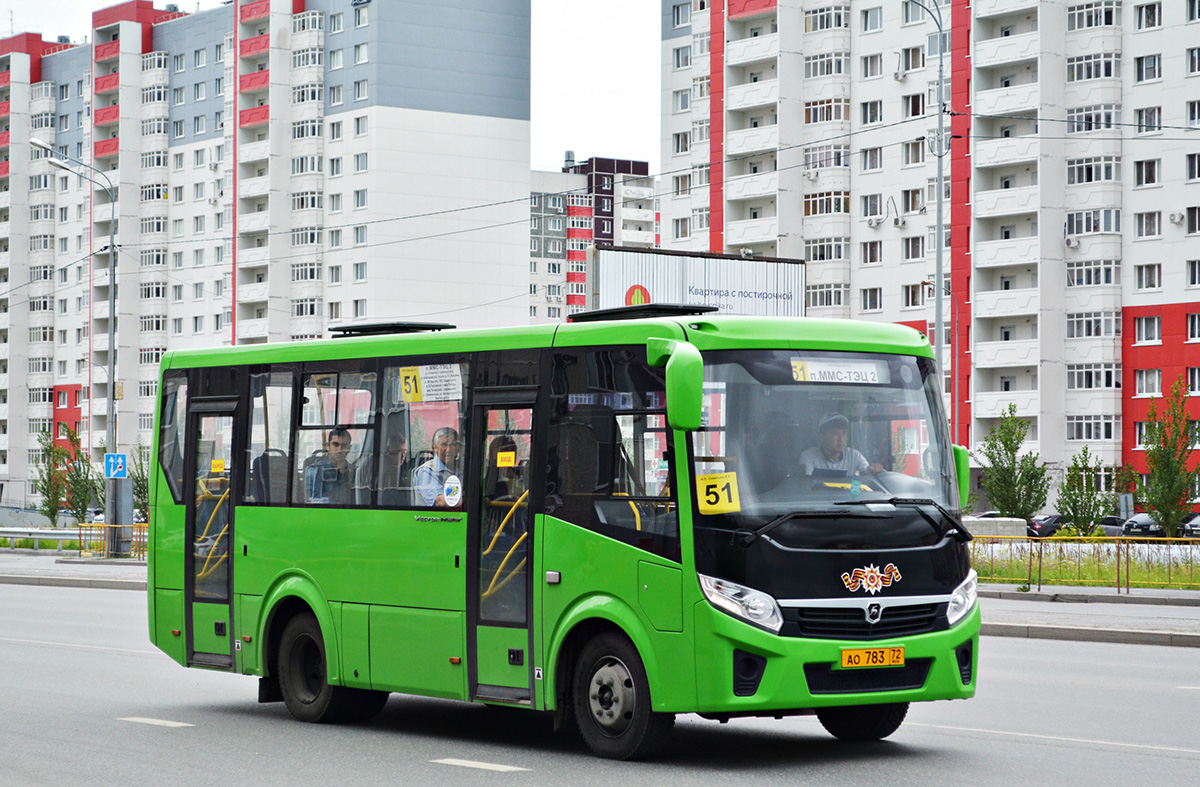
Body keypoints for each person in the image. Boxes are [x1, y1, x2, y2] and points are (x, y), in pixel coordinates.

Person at [798, 412, 884, 477]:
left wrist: (876, 472)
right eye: (835, 434)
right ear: (822, 437)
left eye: (844, 433)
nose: (841, 439)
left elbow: (867, 475)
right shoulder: (808, 457)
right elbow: (805, 485)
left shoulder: (854, 456)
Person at [356, 430, 411, 506]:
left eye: (405, 452)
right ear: (388, 449)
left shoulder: (405, 468)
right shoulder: (376, 465)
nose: (403, 456)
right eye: (399, 452)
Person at [305, 427, 356, 504]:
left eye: (344, 445)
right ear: (328, 445)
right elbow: (312, 502)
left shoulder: (354, 471)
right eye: (335, 444)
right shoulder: (315, 470)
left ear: (349, 448)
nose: (339, 450)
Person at [414, 427, 461, 507]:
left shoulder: (463, 468)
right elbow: (439, 502)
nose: (449, 449)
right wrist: (472, 500)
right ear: (435, 447)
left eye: (452, 445)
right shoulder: (427, 471)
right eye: (444, 445)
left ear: (458, 448)